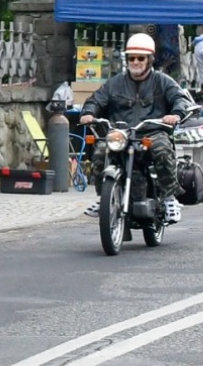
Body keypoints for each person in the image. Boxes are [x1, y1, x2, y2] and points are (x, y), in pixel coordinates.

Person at [79, 32, 196, 223]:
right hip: (121, 133)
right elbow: (96, 99)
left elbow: (179, 99)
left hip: (152, 132)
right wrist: (89, 112)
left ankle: (169, 198)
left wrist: (175, 114)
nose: (136, 62)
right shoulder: (115, 83)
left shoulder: (162, 81)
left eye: (140, 58)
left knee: (162, 149)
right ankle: (104, 199)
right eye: (131, 58)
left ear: (149, 59)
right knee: (100, 151)